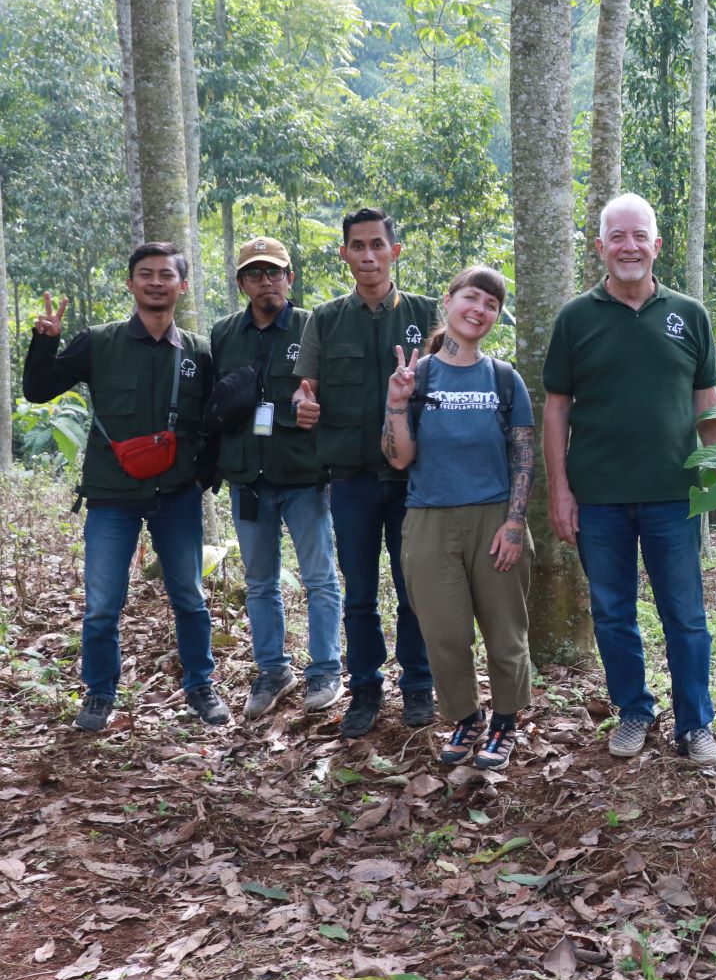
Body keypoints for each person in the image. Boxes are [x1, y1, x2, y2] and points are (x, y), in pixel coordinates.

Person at [543, 193, 716, 765]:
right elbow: (556, 408)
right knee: (613, 612)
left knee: (686, 616)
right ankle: (634, 712)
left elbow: (708, 406)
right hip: (599, 499)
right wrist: (560, 491)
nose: (629, 247)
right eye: (616, 236)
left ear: (657, 244)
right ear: (600, 247)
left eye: (639, 236)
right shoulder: (576, 318)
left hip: (674, 495)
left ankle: (695, 725)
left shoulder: (689, 315)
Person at [23, 243, 224, 730]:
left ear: (183, 285)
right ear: (130, 283)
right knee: (102, 605)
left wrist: (203, 477)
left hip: (176, 495)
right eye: (145, 274)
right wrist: (44, 340)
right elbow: (37, 389)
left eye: (165, 275)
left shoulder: (199, 351)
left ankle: (200, 686)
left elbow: (215, 423)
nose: (156, 282)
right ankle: (99, 694)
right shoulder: (100, 341)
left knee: (190, 598)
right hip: (112, 497)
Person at [292, 208, 438, 737]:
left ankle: (419, 685)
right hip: (350, 479)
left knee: (413, 587)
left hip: (414, 482)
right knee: (358, 591)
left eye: (378, 244)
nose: (368, 255)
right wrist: (301, 405)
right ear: (345, 254)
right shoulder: (325, 319)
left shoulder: (426, 313)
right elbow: (303, 389)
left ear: (395, 251)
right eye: (358, 245)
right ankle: (366, 688)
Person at [383, 266, 535, 771]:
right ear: (448, 302)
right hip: (429, 519)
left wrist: (514, 524)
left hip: (495, 517)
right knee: (444, 633)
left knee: (505, 633)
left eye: (491, 305)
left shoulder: (504, 379)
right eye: (472, 298)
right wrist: (397, 405)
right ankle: (466, 717)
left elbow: (523, 458)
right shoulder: (418, 375)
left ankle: (506, 721)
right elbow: (398, 458)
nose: (480, 310)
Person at [209, 237, 344, 719]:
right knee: (260, 582)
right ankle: (273, 670)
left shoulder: (315, 326)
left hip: (303, 476)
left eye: (275, 272)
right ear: (242, 282)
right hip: (248, 477)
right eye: (255, 273)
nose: (266, 281)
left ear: (290, 277)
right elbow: (213, 405)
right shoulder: (224, 334)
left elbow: (338, 395)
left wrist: (318, 413)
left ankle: (326, 669)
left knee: (319, 579)